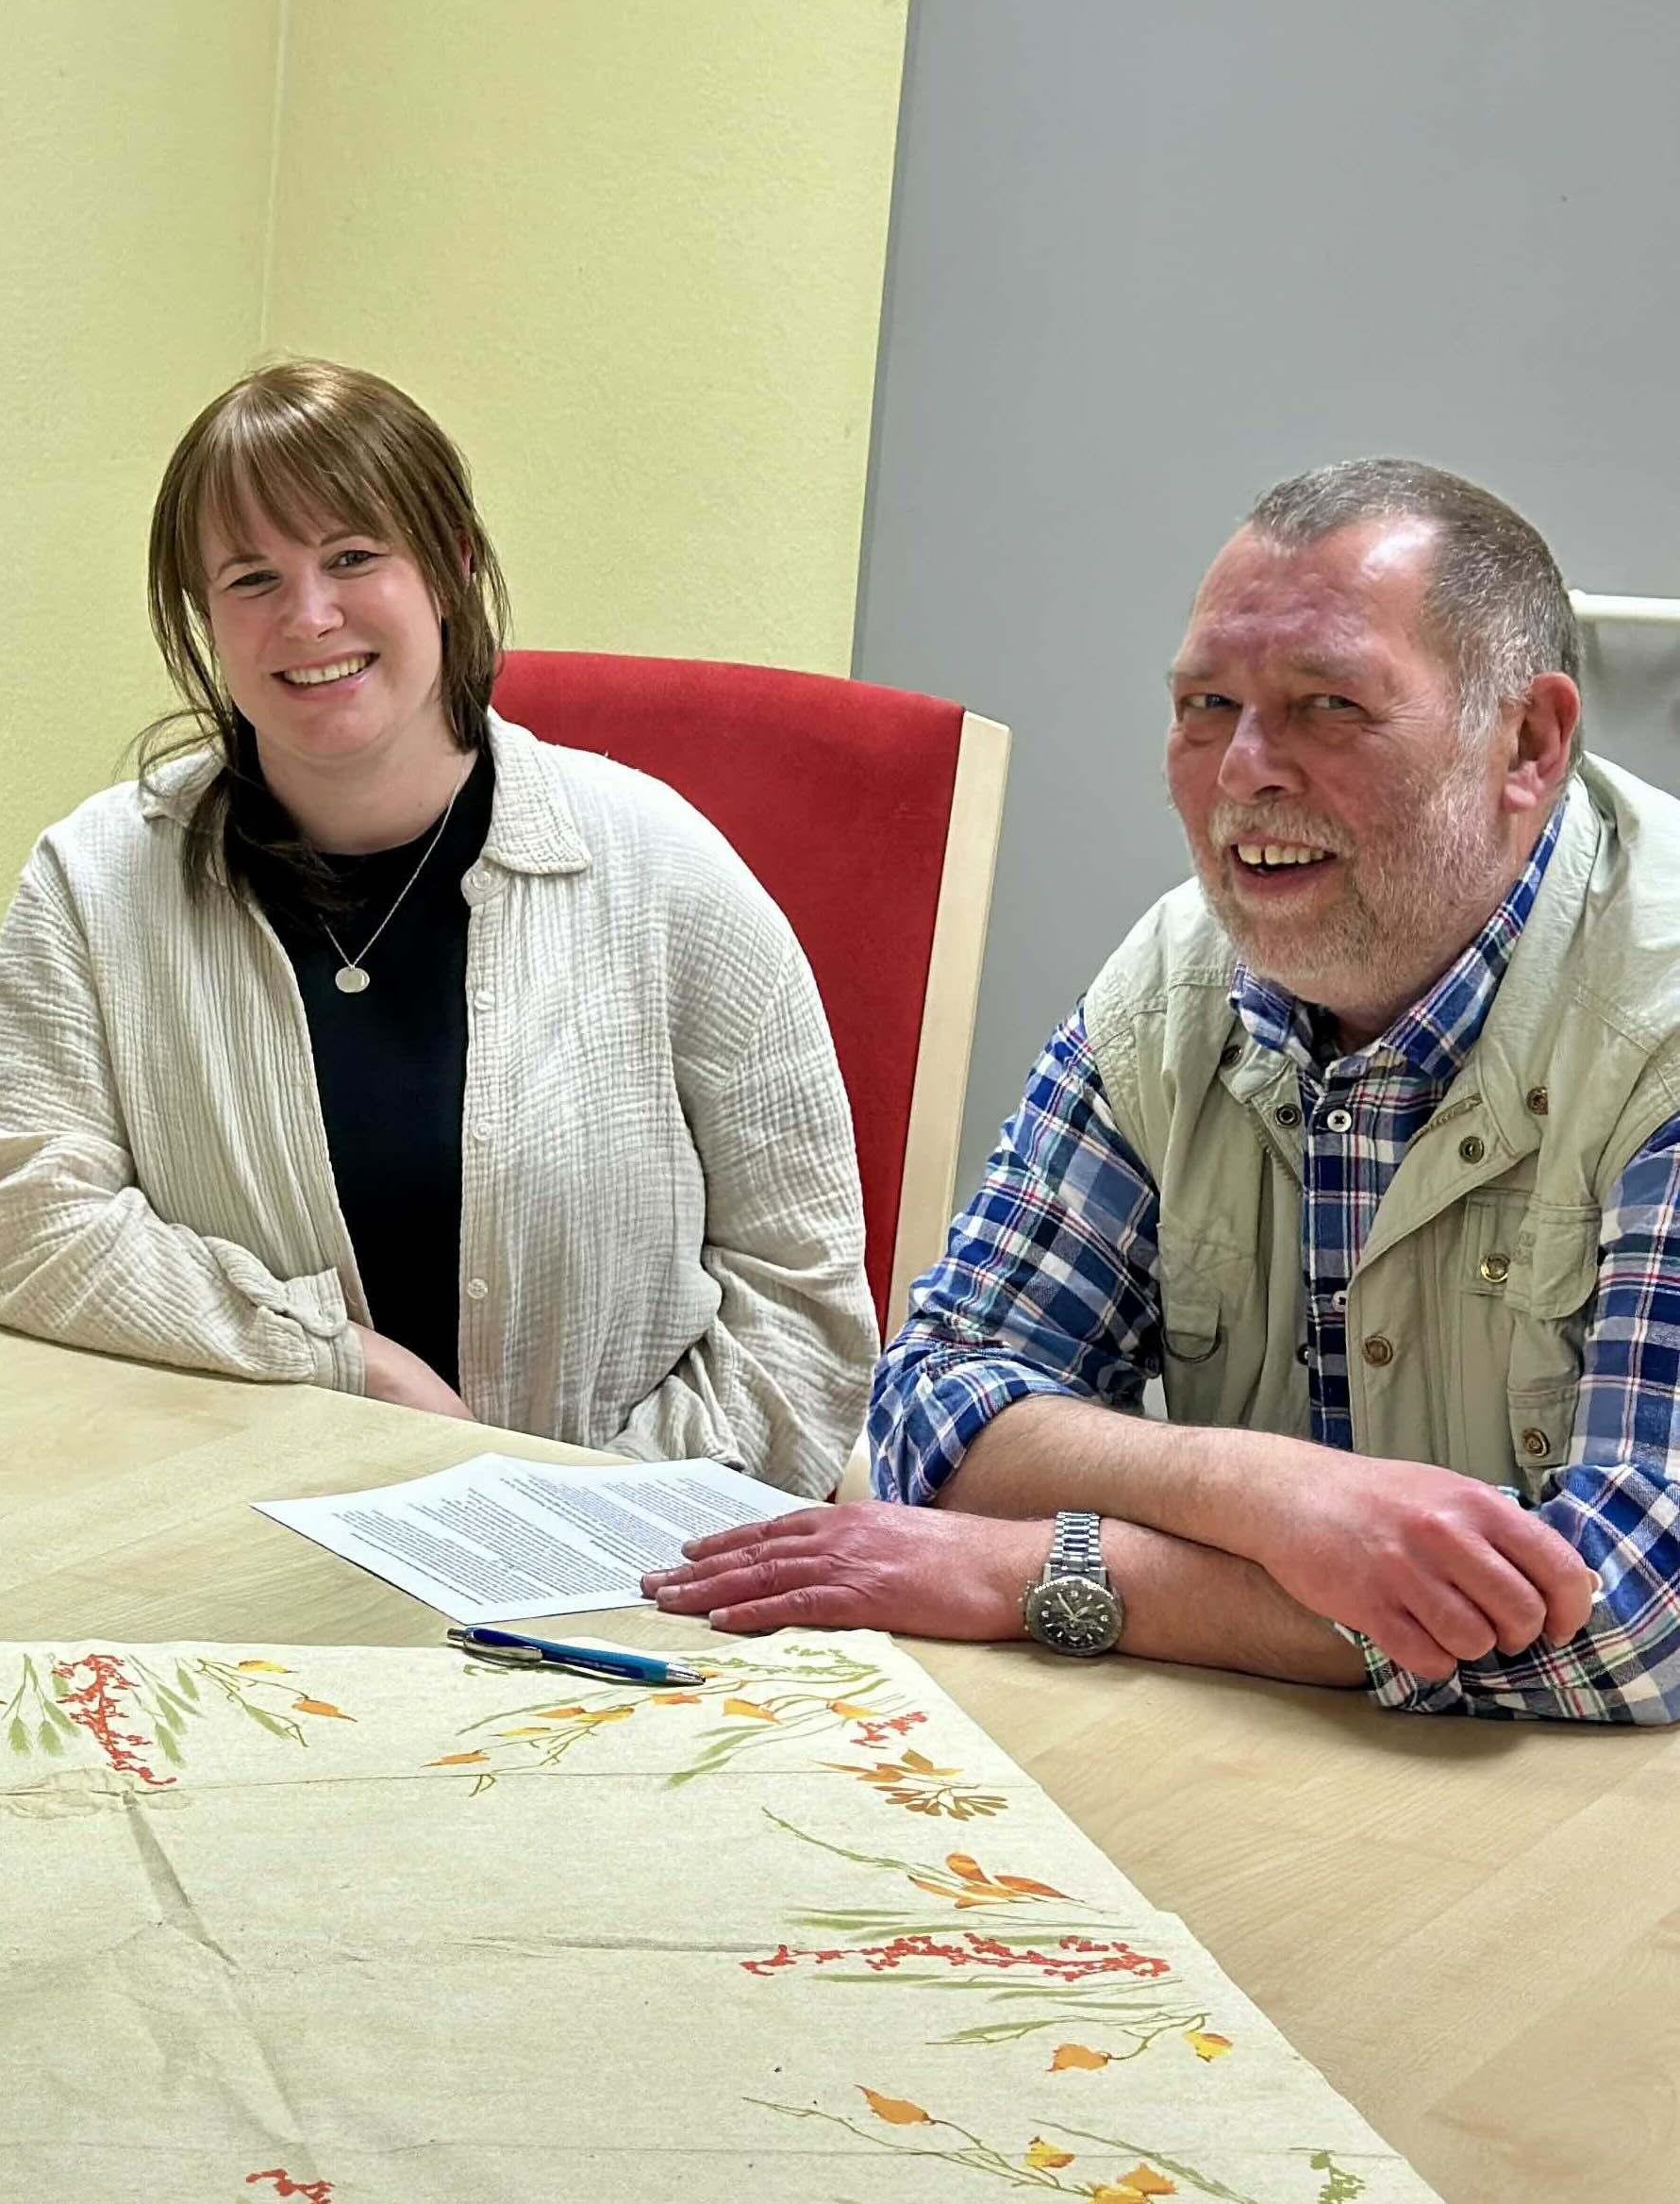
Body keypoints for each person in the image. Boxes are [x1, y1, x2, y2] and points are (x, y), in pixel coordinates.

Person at [651, 459, 1680, 1727]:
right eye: (1206, 704)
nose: (1244, 769)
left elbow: (1640, 1608)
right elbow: (939, 1396)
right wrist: (1269, 1495)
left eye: (1329, 704)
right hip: (1283, 1750)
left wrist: (1059, 1569)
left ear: (1527, 742)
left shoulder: (1660, 1022)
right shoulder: (1174, 981)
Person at [0, 359, 873, 1487]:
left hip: (631, 1555)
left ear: (453, 566)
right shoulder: (93, 883)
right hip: (232, 1531)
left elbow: (803, 1304)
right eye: (252, 578)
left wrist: (589, 1521)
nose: (309, 616)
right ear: (205, 616)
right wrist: (344, 1364)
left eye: (352, 557)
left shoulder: (666, 870)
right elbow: (25, 1231)